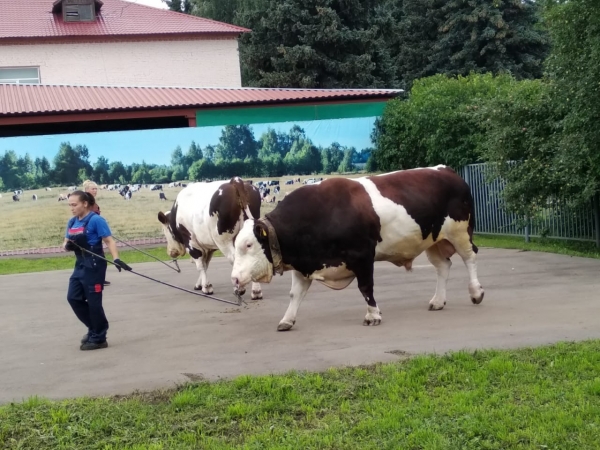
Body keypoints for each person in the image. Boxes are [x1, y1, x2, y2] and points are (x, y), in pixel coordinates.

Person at [63, 190, 132, 351]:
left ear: (85, 203)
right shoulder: (72, 222)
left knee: (94, 302)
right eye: (70, 205)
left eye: (74, 205)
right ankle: (94, 328)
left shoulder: (96, 220)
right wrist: (68, 246)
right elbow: (65, 244)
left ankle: (99, 337)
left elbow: (109, 241)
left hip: (95, 264)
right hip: (80, 264)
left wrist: (116, 259)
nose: (71, 208)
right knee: (73, 298)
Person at [82, 180, 108, 285]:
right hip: (89, 234)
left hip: (95, 233)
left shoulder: (92, 202)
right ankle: (97, 280)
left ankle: (99, 279)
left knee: (99, 259)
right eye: (93, 188)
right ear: (87, 190)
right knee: (98, 259)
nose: (95, 190)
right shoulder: (86, 203)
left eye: (96, 188)